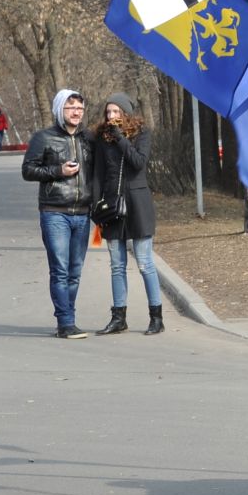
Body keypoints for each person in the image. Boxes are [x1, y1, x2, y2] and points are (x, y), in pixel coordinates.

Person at [21, 89, 94, 339]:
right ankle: (66, 322)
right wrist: (58, 170)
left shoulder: (88, 139)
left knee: (75, 269)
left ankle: (67, 317)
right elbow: (28, 170)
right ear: (59, 109)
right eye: (71, 107)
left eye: (80, 108)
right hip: (55, 212)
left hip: (83, 213)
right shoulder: (44, 138)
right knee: (60, 269)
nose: (76, 112)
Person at [90, 94, 163, 337]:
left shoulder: (141, 134)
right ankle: (118, 317)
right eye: (108, 112)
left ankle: (156, 317)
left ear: (126, 113)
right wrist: (96, 205)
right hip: (112, 205)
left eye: (116, 112)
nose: (111, 116)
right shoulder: (102, 137)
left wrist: (120, 138)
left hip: (137, 204)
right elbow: (98, 174)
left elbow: (138, 163)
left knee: (144, 263)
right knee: (117, 265)